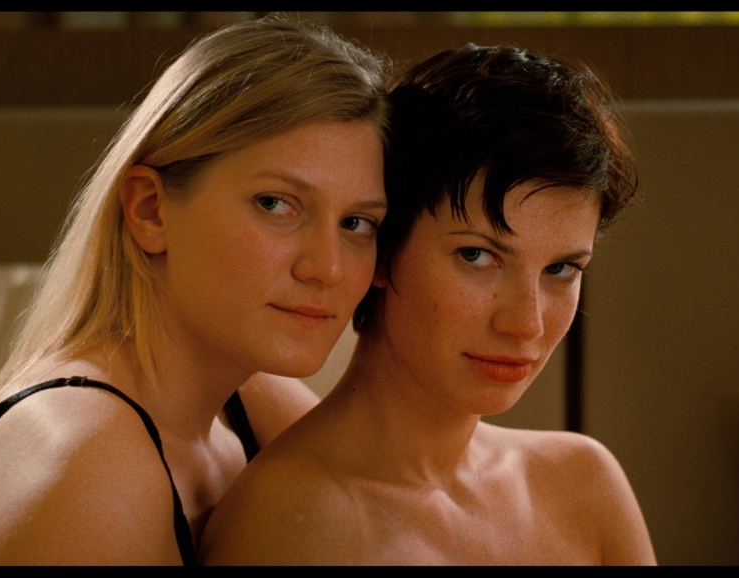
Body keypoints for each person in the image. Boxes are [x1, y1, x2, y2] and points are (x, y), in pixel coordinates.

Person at [0, 17, 388, 565]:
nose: (328, 268)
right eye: (275, 204)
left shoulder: (246, 399)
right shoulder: (87, 467)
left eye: (356, 223)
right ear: (150, 209)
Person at [200, 45, 657, 565]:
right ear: (380, 247)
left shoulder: (584, 484)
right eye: (476, 256)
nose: (526, 324)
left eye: (561, 269)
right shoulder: (292, 522)